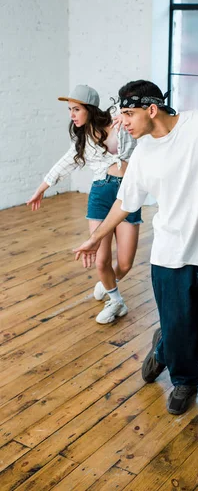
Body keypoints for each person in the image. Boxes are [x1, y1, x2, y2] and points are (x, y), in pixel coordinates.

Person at [73, 79, 198, 414]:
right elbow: (125, 202)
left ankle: (164, 350)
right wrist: (96, 237)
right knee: (180, 321)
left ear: (151, 109)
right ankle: (185, 380)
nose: (121, 122)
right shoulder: (141, 156)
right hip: (168, 255)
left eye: (128, 113)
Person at [27, 84, 142, 324]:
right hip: (101, 194)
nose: (72, 115)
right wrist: (41, 189)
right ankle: (116, 300)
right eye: (70, 110)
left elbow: (131, 110)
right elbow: (63, 164)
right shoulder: (83, 138)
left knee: (125, 262)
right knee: (101, 260)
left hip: (128, 192)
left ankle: (108, 284)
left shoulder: (118, 119)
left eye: (76, 109)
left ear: (89, 108)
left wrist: (124, 113)